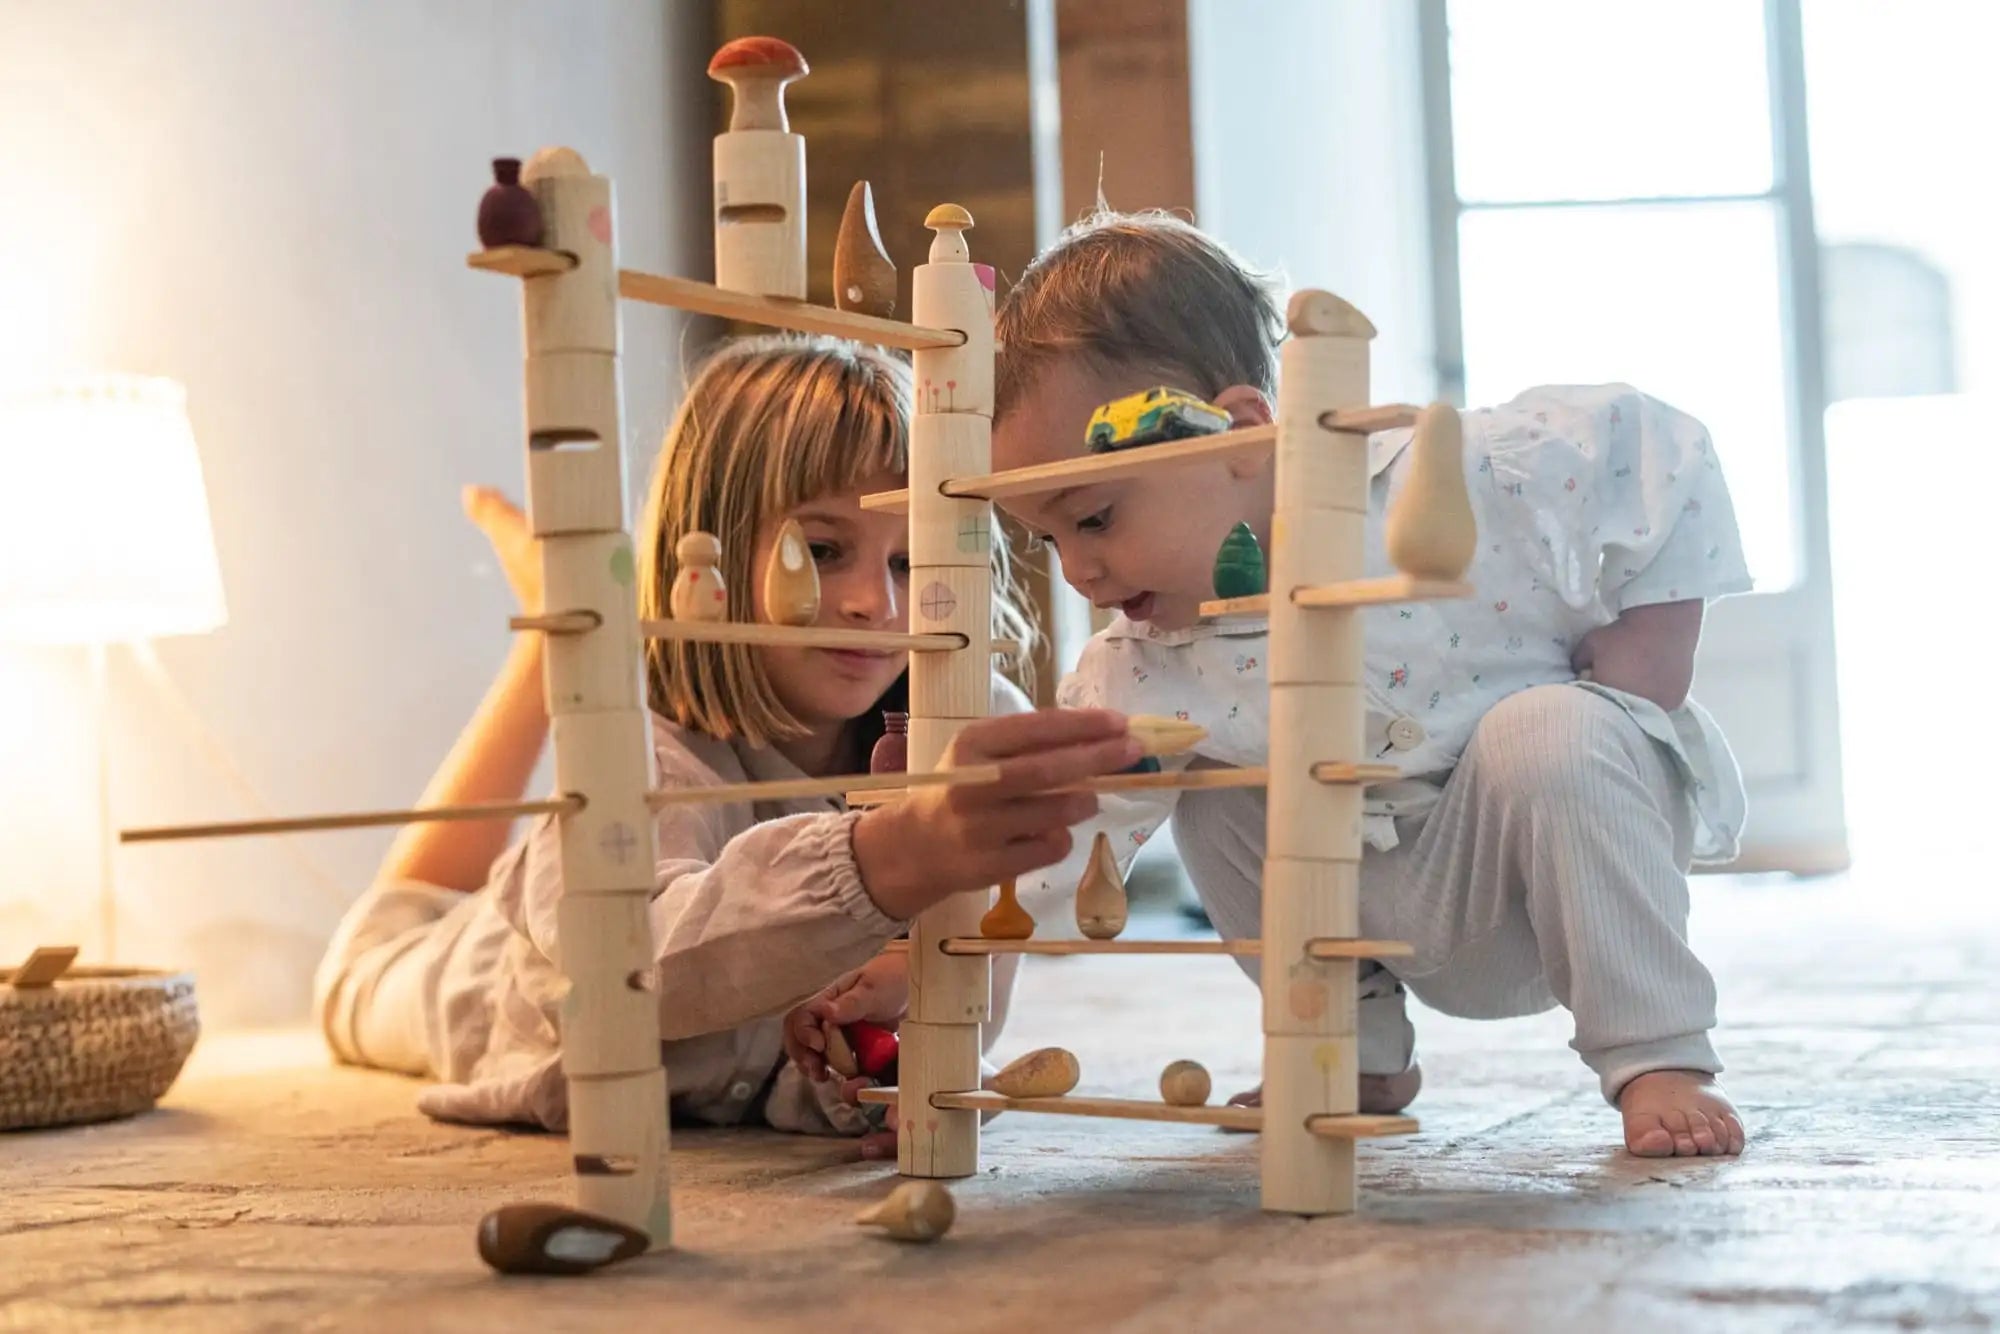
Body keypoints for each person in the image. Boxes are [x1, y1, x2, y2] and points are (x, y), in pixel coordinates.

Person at [988, 212, 1751, 1158]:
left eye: (1095, 518)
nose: (1077, 573)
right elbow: (1052, 843)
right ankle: (1350, 1052)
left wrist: (1656, 642)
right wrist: (928, 952)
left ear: (1238, 434)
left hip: (1546, 873)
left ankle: (1658, 1053)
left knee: (1550, 726)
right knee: (1216, 796)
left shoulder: (1445, 474)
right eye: (1045, 538)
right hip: (1373, 910)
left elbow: (1659, 451)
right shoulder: (1138, 665)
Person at [313, 334, 1142, 1160]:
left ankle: (570, 625)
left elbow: (949, 994)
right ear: (703, 553)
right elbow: (642, 967)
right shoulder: (646, 751)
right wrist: (889, 858)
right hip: (463, 966)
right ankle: (555, 634)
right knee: (379, 944)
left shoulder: (950, 726)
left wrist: (879, 1063)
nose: (871, 603)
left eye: (907, 560)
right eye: (819, 551)